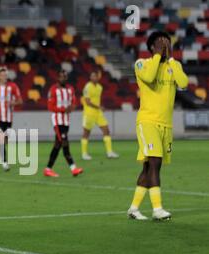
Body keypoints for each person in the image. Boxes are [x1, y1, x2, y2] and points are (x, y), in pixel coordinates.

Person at [127, 31, 188, 220]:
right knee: (155, 161)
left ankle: (134, 209)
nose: (165, 46)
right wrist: (157, 56)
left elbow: (184, 83)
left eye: (167, 43)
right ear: (152, 47)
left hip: (166, 125)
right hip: (148, 121)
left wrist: (171, 59)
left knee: (149, 168)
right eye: (161, 43)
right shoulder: (141, 63)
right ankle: (157, 209)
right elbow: (150, 77)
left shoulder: (173, 65)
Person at [44, 69, 83, 178]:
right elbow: (50, 107)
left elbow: (74, 102)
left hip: (66, 121)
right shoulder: (53, 89)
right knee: (64, 142)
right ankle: (73, 168)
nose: (63, 78)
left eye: (65, 76)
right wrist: (63, 110)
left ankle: (48, 169)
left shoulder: (70, 89)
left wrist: (72, 107)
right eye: (61, 76)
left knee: (58, 144)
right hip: (57, 121)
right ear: (58, 78)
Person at [80, 71, 119, 160]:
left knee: (106, 130)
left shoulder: (99, 87)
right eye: (91, 76)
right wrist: (99, 107)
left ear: (98, 77)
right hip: (89, 113)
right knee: (86, 133)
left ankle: (109, 152)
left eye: (94, 76)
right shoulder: (87, 87)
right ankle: (84, 153)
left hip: (98, 113)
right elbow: (87, 102)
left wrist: (99, 108)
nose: (93, 78)